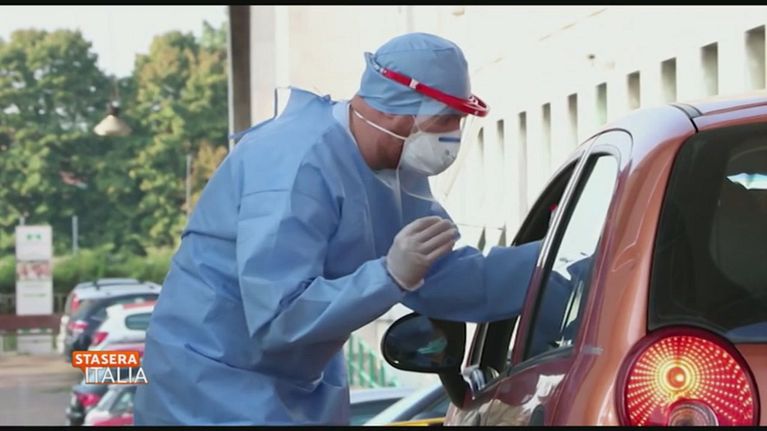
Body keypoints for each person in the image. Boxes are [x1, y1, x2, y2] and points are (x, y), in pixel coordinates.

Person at [134, 32, 542, 425]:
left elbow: (442, 277)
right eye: (444, 120)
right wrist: (389, 275)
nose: (451, 137)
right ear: (393, 110)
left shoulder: (398, 171)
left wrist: (558, 265)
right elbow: (279, 316)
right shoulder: (294, 164)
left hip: (296, 388)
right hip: (210, 388)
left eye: (458, 122)